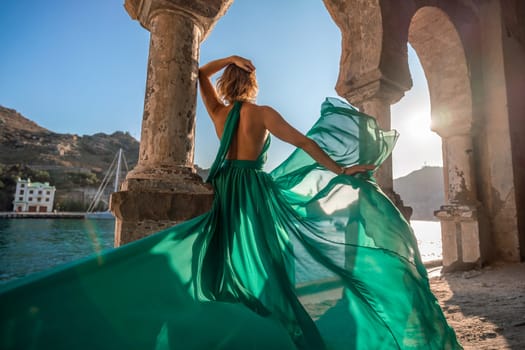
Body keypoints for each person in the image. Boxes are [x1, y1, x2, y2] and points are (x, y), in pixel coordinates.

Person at [0, 55, 462, 350]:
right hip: (254, 193)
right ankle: (284, 329)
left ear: (228, 83)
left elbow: (198, 72)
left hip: (226, 194)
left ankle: (242, 326)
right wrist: (341, 171)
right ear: (252, 83)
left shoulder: (221, 114)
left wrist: (227, 60)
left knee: (225, 265)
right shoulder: (261, 114)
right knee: (269, 266)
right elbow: (304, 143)